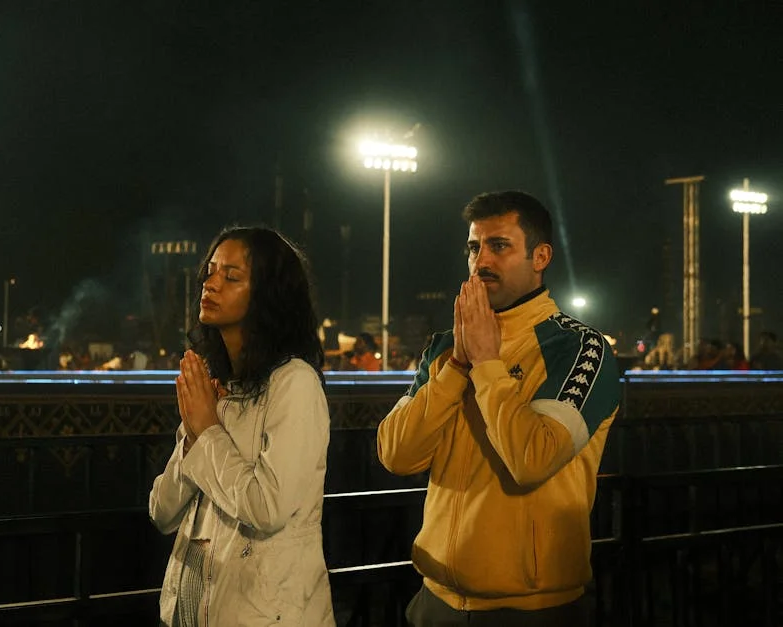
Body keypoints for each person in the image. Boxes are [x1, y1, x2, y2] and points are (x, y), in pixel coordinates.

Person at [377, 191, 621, 626]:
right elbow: (397, 455)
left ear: (540, 256)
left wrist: (487, 363)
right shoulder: (445, 348)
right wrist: (457, 365)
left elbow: (533, 459)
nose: (481, 260)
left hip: (531, 610)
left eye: (499, 245)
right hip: (435, 599)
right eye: (474, 247)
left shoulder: (580, 347)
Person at [149, 226, 335, 626]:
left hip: (265, 615)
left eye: (231, 277)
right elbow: (161, 512)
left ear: (268, 294)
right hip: (192, 610)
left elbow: (266, 509)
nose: (211, 284)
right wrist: (194, 436)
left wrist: (207, 431)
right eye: (210, 272)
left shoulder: (294, 383)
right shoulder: (218, 387)